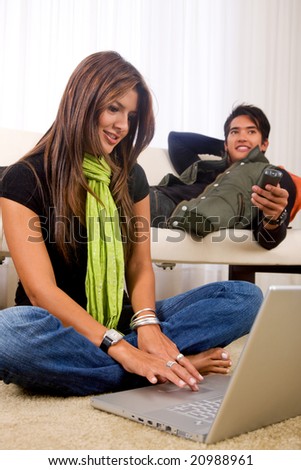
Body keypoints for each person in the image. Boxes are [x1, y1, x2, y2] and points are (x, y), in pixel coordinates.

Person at [0, 52, 263, 397]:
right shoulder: (24, 178)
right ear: (82, 101)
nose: (123, 126)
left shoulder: (129, 175)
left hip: (122, 319)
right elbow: (41, 292)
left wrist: (148, 324)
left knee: (244, 297)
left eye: (130, 115)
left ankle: (131, 363)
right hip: (54, 324)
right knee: (8, 333)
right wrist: (122, 348)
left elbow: (138, 264)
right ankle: (156, 367)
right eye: (113, 108)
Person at [150, 104, 299, 249]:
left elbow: (269, 240)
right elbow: (176, 139)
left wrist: (273, 217)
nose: (242, 137)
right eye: (235, 132)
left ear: (264, 144)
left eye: (251, 132)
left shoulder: (273, 176)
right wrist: (231, 145)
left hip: (163, 210)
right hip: (147, 194)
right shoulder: (210, 170)